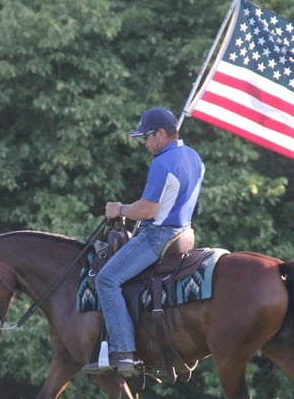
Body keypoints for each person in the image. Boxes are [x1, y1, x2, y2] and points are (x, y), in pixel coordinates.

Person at [83, 107, 205, 375]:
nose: (144, 143)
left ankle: (124, 353)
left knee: (107, 279)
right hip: (183, 232)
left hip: (157, 237)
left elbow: (148, 210)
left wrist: (119, 209)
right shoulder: (194, 158)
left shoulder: (163, 162)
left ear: (161, 133)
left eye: (146, 137)